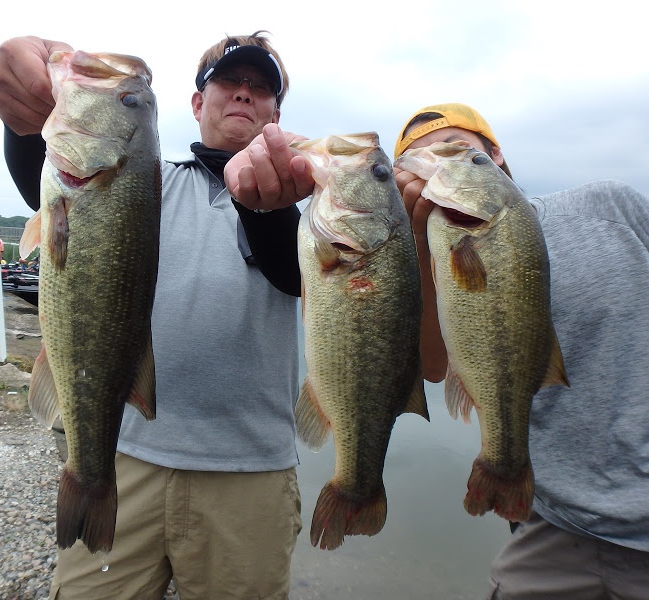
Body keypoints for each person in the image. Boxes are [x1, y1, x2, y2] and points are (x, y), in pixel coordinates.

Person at [226, 104, 649, 599]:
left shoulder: (610, 205)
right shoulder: (422, 265)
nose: (438, 165)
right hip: (555, 524)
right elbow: (430, 367)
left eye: (460, 153)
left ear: (498, 157)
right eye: (417, 164)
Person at [0, 31, 302, 599]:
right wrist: (21, 117)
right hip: (124, 457)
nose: (244, 94)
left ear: (276, 113)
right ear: (196, 103)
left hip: (251, 473)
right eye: (229, 81)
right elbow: (43, 163)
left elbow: (292, 270)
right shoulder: (147, 180)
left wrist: (267, 208)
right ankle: (86, 479)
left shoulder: (303, 214)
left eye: (261, 88)